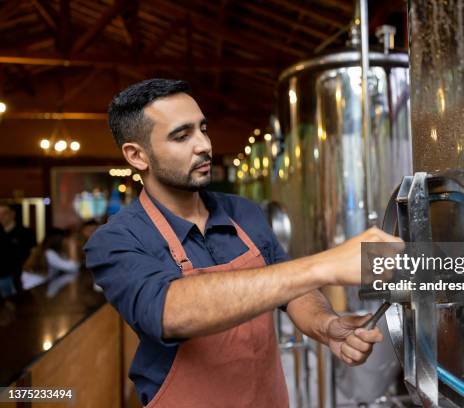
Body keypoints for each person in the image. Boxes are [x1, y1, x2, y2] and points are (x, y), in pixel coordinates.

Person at [84, 79, 403, 407]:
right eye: (182, 136)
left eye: (202, 129)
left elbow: (293, 288)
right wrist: (324, 266)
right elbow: (171, 311)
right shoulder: (116, 241)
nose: (204, 145)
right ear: (137, 156)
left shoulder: (243, 212)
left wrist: (325, 324)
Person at [0, 204, 36, 293]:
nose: (1, 217)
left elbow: (34, 253)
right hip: (1, 277)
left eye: (4, 213)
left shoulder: (25, 232)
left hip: (20, 277)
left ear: (12, 214)